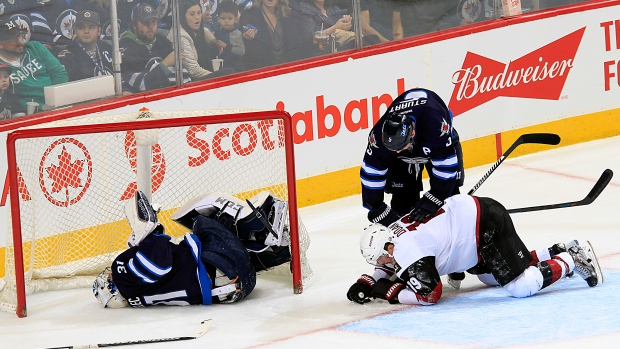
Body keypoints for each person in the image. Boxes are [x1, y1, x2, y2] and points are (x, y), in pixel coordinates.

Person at [347, 194, 603, 305]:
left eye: (381, 258)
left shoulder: (405, 252)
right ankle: (556, 250)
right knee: (491, 277)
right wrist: (368, 281)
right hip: (475, 228)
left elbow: (430, 295)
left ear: (389, 246)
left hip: (485, 228)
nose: (382, 265)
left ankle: (573, 258)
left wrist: (389, 292)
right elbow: (387, 265)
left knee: (520, 287)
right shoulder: (393, 233)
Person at [93, 190, 257, 308]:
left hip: (231, 288)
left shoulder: (137, 295)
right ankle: (272, 240)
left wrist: (152, 238)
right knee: (202, 220)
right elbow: (158, 265)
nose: (109, 274)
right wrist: (152, 234)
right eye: (107, 278)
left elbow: (159, 265)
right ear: (110, 286)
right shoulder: (123, 277)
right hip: (220, 263)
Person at [361, 88, 464, 226]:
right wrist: (376, 207)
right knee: (402, 202)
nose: (396, 152)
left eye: (400, 148)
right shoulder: (378, 135)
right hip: (407, 153)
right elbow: (371, 169)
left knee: (450, 200)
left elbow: (446, 164)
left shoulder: (435, 126)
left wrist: (437, 196)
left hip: (438, 143)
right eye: (393, 150)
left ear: (413, 133)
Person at [0, 18, 68, 112]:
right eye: (14, 39)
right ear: (1, 44)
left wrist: (56, 102)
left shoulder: (35, 47)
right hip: (26, 114)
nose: (20, 41)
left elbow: (59, 73)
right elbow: (8, 100)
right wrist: (40, 107)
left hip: (57, 105)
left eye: (20, 36)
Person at [120, 2, 190, 94]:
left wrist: (156, 74)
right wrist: (165, 64)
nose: (150, 27)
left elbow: (185, 76)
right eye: (145, 22)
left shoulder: (163, 42)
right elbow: (141, 84)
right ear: (134, 25)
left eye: (153, 22)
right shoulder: (127, 48)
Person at [166, 0, 235, 81]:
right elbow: (193, 70)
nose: (197, 17)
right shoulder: (180, 36)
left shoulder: (192, 27)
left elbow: (204, 31)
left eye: (199, 13)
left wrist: (214, 42)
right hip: (190, 81)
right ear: (182, 16)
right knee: (228, 72)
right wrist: (216, 76)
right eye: (192, 14)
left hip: (201, 73)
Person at [239, 0, 304, 70]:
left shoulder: (288, 15)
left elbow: (295, 44)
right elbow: (242, 45)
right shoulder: (249, 15)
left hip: (287, 67)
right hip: (262, 69)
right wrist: (246, 39)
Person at [56, 10, 113, 81]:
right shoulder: (67, 55)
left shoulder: (107, 47)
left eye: (91, 27)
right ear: (75, 31)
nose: (86, 31)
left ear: (99, 31)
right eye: (81, 27)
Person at [213, 0, 245, 72]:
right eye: (223, 18)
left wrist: (226, 46)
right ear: (218, 19)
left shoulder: (237, 34)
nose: (226, 21)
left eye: (230, 18)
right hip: (222, 65)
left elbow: (241, 51)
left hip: (235, 68)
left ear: (236, 19)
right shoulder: (218, 31)